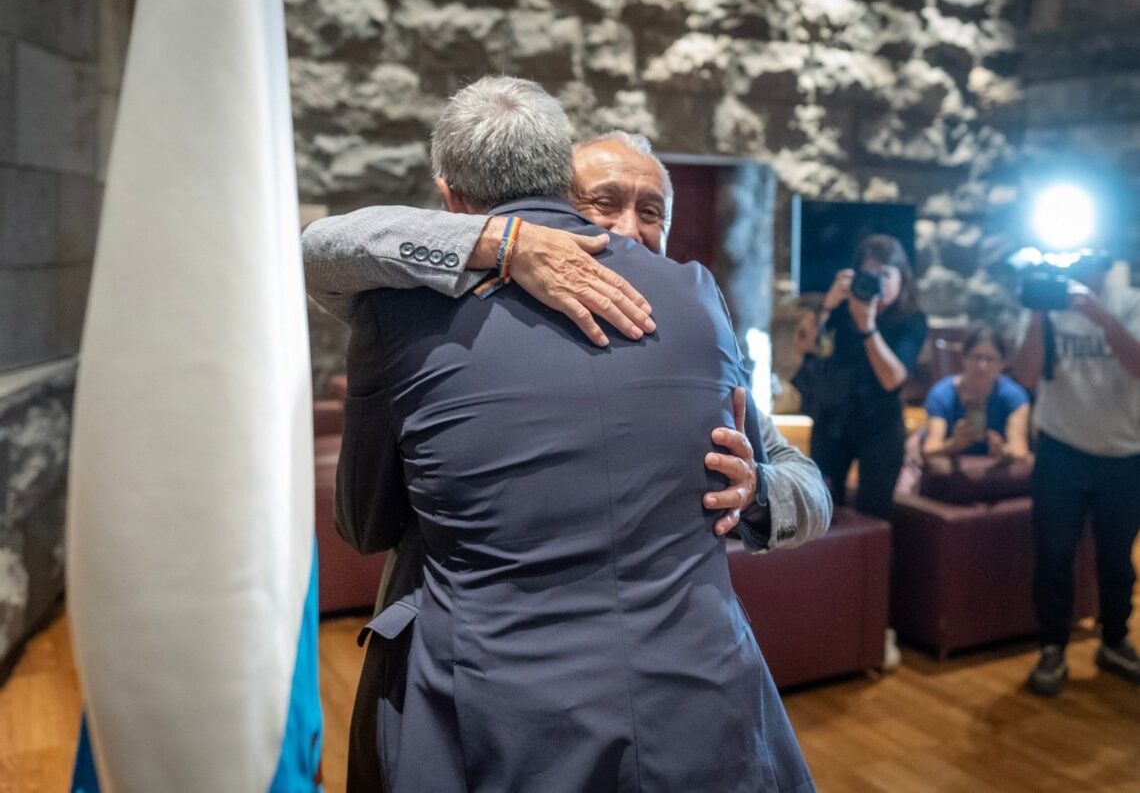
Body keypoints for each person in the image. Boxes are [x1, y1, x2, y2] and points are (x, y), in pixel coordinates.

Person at [305, 127, 831, 790]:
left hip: (681, 690)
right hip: (496, 697)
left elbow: (810, 487)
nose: (630, 231)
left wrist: (759, 491)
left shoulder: (699, 327)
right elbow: (328, 247)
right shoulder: (450, 317)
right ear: (551, 210)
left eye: (651, 211)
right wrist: (503, 243)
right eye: (602, 204)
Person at [1012, 255, 1140, 696]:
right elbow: (1026, 373)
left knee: (1117, 556)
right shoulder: (1043, 303)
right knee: (1053, 555)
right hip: (1060, 449)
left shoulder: (1132, 303)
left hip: (1124, 452)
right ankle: (1052, 647)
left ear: (1106, 268)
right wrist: (1038, 314)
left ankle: (1114, 639)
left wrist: (1101, 317)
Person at [809, 234, 927, 518]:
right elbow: (808, 349)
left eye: (886, 274)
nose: (878, 283)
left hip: (881, 425)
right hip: (834, 420)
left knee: (875, 511)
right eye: (870, 275)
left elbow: (893, 378)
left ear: (902, 277)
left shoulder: (912, 319)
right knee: (822, 507)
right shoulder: (841, 310)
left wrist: (867, 326)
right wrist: (827, 306)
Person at [922, 324, 1030, 460]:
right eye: (976, 357)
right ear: (964, 358)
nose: (982, 366)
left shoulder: (1014, 396)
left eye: (990, 359)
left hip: (996, 474)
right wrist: (954, 444)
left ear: (1002, 363)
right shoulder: (941, 394)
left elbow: (1020, 450)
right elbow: (930, 448)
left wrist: (1002, 450)